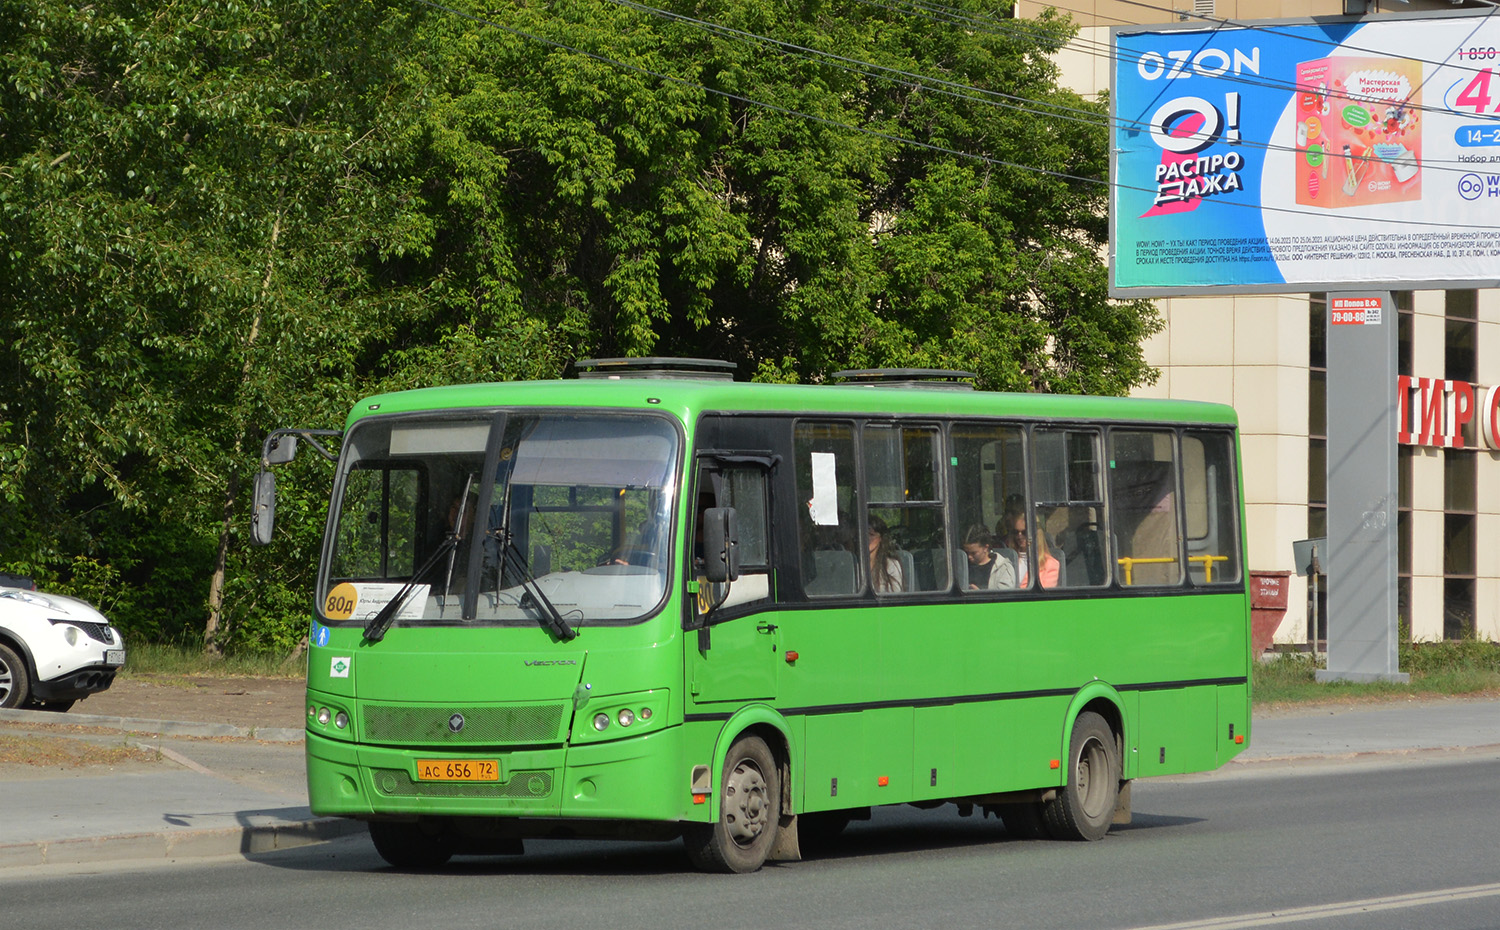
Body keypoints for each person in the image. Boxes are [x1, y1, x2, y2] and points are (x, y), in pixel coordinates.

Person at [999, 509, 1059, 589]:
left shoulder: (1050, 564)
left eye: (1024, 532)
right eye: (1016, 532)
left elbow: (1043, 596)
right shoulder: (1007, 560)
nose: (1019, 536)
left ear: (1036, 533)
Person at [961, 524, 1016, 590]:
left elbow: (1005, 596)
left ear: (985, 548)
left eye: (973, 553)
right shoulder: (961, 566)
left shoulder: (1002, 568)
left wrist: (980, 594)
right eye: (966, 553)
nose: (969, 556)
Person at [867, 515, 905, 594]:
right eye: (864, 534)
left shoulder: (891, 565)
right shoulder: (854, 564)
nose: (867, 538)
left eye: (871, 535)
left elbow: (895, 596)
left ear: (880, 538)